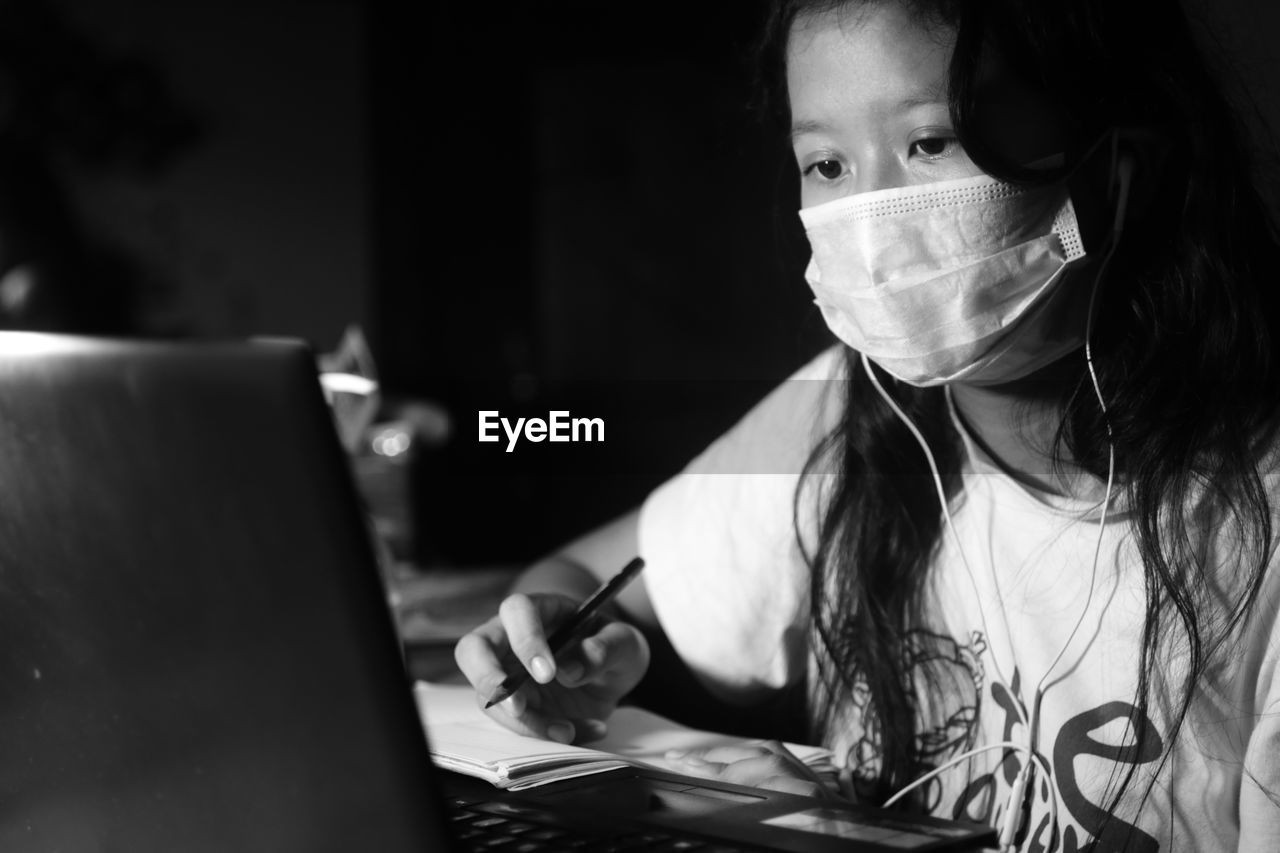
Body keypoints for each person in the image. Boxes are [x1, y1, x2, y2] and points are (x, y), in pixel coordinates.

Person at [454, 0, 1280, 849]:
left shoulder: (1259, 522)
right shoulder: (851, 407)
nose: (871, 225)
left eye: (929, 143)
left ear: (1117, 172)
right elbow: (584, 570)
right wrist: (561, 646)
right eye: (826, 163)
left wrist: (839, 837)